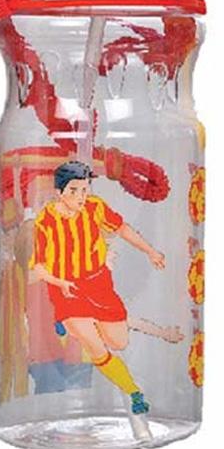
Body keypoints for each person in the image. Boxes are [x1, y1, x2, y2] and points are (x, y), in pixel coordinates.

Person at [29, 161, 179, 414]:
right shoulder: (45, 221)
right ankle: (134, 393)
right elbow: (39, 267)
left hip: (98, 285)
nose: (80, 196)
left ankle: (68, 325)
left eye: (84, 190)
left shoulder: (95, 207)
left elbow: (122, 228)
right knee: (95, 345)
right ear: (59, 192)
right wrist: (60, 282)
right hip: (68, 289)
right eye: (74, 190)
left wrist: (151, 251)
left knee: (119, 342)